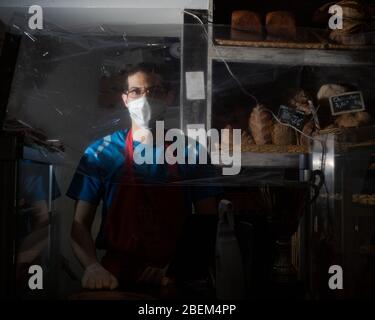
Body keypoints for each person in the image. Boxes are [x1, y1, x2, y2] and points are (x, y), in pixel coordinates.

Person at [67, 63, 221, 291]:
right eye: (136, 91)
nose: (145, 99)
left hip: (175, 278)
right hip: (114, 278)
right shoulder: (101, 153)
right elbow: (79, 225)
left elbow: (208, 222)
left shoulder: (192, 152)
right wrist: (92, 267)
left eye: (154, 91)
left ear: (169, 97)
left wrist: (176, 268)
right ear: (125, 99)